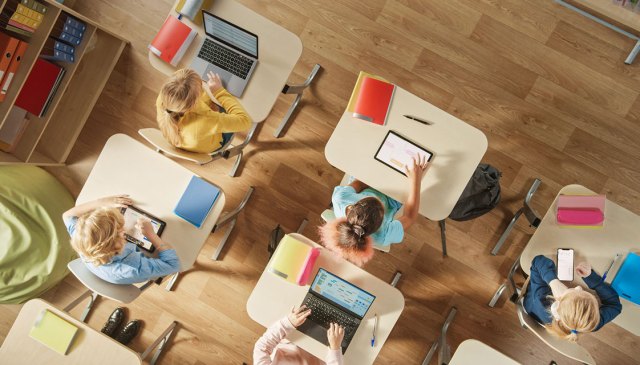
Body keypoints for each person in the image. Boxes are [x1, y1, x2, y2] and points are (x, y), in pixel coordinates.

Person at [319, 155, 429, 266]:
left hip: (367, 183)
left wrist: (382, 171)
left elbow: (360, 183)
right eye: (381, 207)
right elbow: (409, 217)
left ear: (352, 206)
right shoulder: (384, 235)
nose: (378, 200)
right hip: (392, 200)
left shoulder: (340, 199)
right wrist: (416, 180)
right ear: (380, 224)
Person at [62, 195, 180, 285]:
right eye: (121, 230)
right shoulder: (133, 269)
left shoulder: (82, 235)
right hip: (139, 269)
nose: (124, 229)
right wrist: (151, 235)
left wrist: (102, 202)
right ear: (118, 244)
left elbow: (67, 215)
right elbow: (173, 265)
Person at [524, 255, 622, 341]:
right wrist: (594, 280)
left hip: (531, 305)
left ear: (559, 300)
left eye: (575, 292)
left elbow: (538, 261)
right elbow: (615, 305)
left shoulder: (540, 298)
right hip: (541, 317)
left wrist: (553, 282)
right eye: (582, 291)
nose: (579, 287)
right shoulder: (591, 322)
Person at [155, 68, 252, 153]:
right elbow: (245, 121)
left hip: (186, 140)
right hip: (214, 141)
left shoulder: (163, 99)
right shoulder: (207, 119)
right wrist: (219, 91)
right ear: (195, 103)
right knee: (239, 102)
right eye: (201, 87)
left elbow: (180, 79)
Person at [253, 305, 344, 365]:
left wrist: (288, 323)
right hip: (323, 350)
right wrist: (335, 349)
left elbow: (261, 348)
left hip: (294, 337)